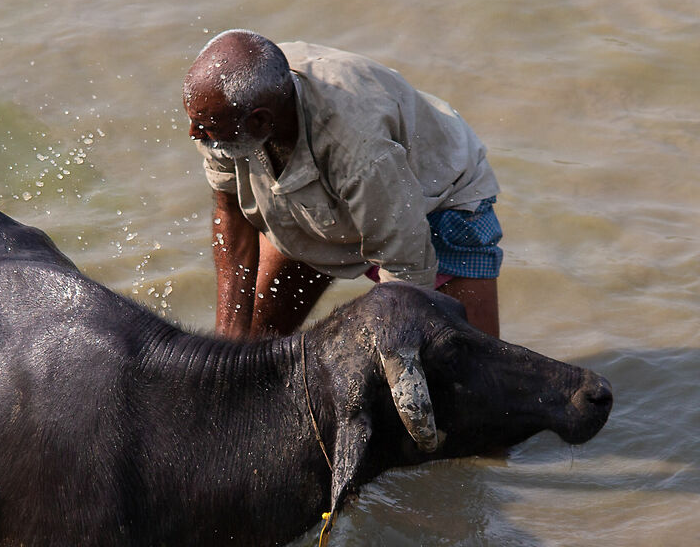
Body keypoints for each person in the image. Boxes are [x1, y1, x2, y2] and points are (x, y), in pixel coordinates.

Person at [185, 30, 507, 340]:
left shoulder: (360, 150)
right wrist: (228, 345)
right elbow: (232, 211)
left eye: (205, 126)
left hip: (433, 202)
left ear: (259, 121)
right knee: (252, 350)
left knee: (464, 378)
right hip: (314, 204)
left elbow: (407, 275)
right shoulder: (228, 104)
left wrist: (401, 366)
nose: (193, 133)